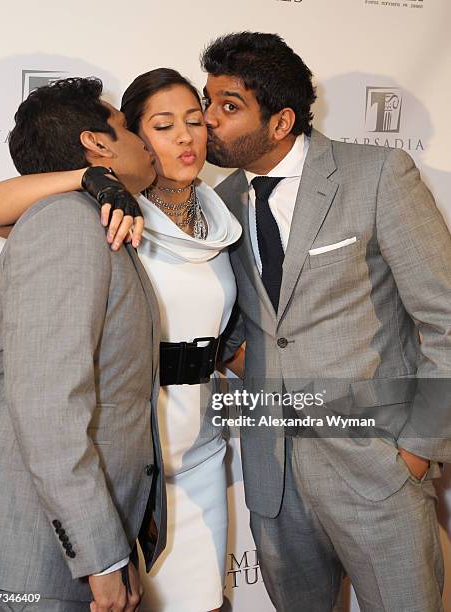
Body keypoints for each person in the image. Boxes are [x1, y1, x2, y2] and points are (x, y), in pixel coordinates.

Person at [199, 32, 451, 612]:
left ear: (282, 120)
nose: (209, 120)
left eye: (229, 107)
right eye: (208, 102)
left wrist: (416, 449)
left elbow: (443, 318)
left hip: (378, 470)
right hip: (273, 478)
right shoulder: (218, 202)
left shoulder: (378, 174)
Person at [0, 68, 242, 612]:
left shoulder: (226, 211)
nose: (177, 138)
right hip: (64, 504)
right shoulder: (84, 217)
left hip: (162, 473)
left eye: (195, 120)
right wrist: (86, 179)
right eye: (156, 127)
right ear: (100, 144)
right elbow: (50, 408)